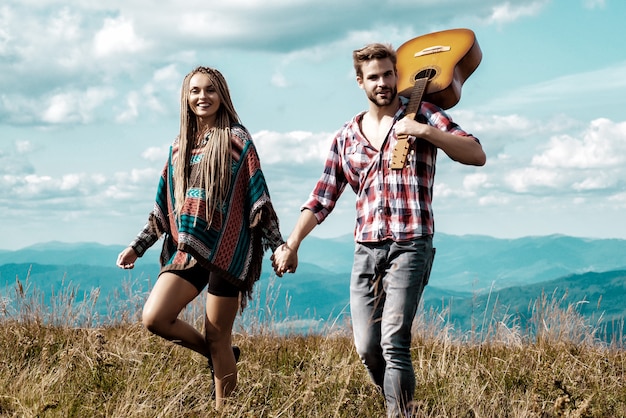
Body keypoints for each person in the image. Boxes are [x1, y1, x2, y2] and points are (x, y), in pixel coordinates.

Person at [271, 43, 485, 417]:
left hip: (411, 243)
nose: (383, 83)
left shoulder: (425, 114)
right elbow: (322, 197)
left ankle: (399, 414)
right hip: (366, 248)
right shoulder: (346, 136)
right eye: (374, 77)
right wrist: (292, 243)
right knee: (367, 346)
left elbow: (475, 153)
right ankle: (406, 407)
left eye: (388, 74)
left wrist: (424, 132)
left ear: (397, 75)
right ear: (360, 82)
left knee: (393, 341)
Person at [116, 66, 284, 409]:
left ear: (221, 95)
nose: (202, 97)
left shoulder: (237, 140)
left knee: (218, 336)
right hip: (188, 249)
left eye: (210, 90)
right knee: (155, 318)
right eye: (195, 91)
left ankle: (226, 410)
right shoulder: (178, 147)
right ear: (186, 97)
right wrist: (138, 246)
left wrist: (277, 244)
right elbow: (164, 206)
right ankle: (219, 354)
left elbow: (259, 199)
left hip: (230, 250)